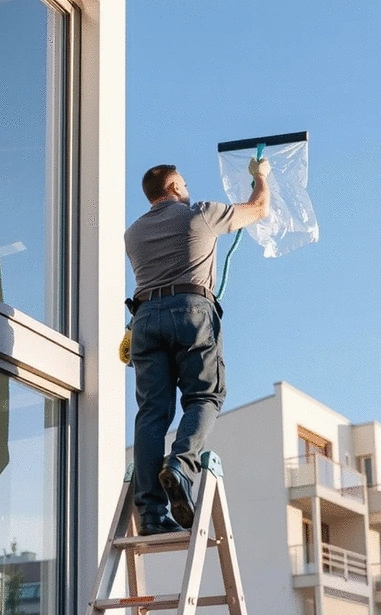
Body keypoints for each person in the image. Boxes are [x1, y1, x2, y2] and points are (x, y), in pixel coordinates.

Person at [125, 157, 271, 535]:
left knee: (152, 414)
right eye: (184, 184)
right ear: (173, 188)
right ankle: (181, 466)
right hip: (191, 310)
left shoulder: (134, 234)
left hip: (144, 319)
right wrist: (261, 177)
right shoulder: (200, 214)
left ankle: (153, 517)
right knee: (205, 397)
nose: (188, 190)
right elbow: (259, 209)